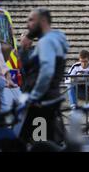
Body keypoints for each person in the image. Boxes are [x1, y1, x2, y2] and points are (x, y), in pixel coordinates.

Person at [19, 8, 69, 144]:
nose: (27, 24)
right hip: (48, 99)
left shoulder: (45, 42)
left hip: (41, 103)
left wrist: (34, 96)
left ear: (42, 21)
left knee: (38, 143)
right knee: (45, 142)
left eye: (31, 20)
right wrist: (23, 49)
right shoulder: (54, 40)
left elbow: (46, 71)